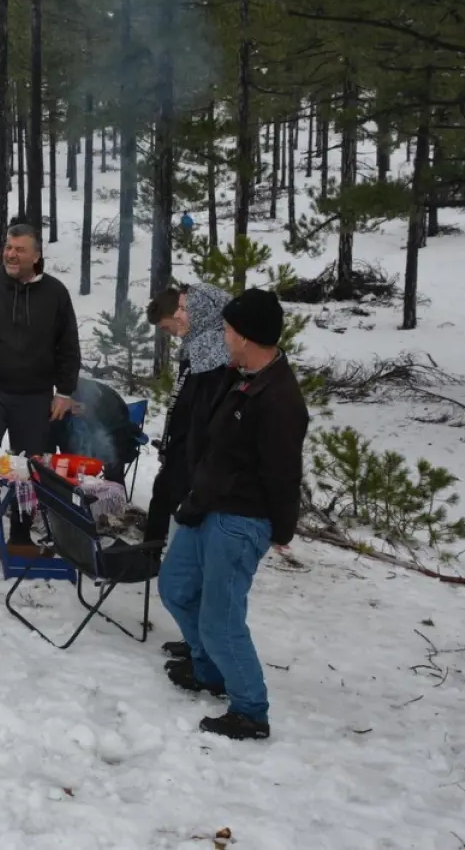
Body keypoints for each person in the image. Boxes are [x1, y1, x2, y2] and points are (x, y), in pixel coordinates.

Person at [158, 288, 309, 741]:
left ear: (245, 336)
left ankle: (249, 708)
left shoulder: (280, 399)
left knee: (221, 619)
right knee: (177, 588)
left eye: (226, 331)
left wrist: (281, 528)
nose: (222, 337)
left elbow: (284, 475)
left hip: (240, 520)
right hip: (205, 507)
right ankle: (209, 670)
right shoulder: (241, 376)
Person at [0, 222, 81, 545]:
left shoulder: (55, 294)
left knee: (30, 465)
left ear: (36, 256)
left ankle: (21, 534)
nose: (10, 254)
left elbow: (68, 346)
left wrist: (64, 391)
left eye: (19, 249)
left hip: (35, 396)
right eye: (8, 247)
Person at [144, 283, 232, 545]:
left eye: (184, 309)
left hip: (196, 460)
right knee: (162, 495)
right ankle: (151, 554)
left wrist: (192, 460)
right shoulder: (196, 351)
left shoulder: (216, 359)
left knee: (184, 518)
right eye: (180, 309)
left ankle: (163, 555)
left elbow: (207, 418)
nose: (180, 317)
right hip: (181, 450)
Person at [47, 375, 143, 485]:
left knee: (112, 453)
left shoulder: (102, 398)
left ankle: (113, 492)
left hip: (116, 432)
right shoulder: (71, 395)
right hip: (87, 433)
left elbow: (114, 419)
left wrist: (82, 409)